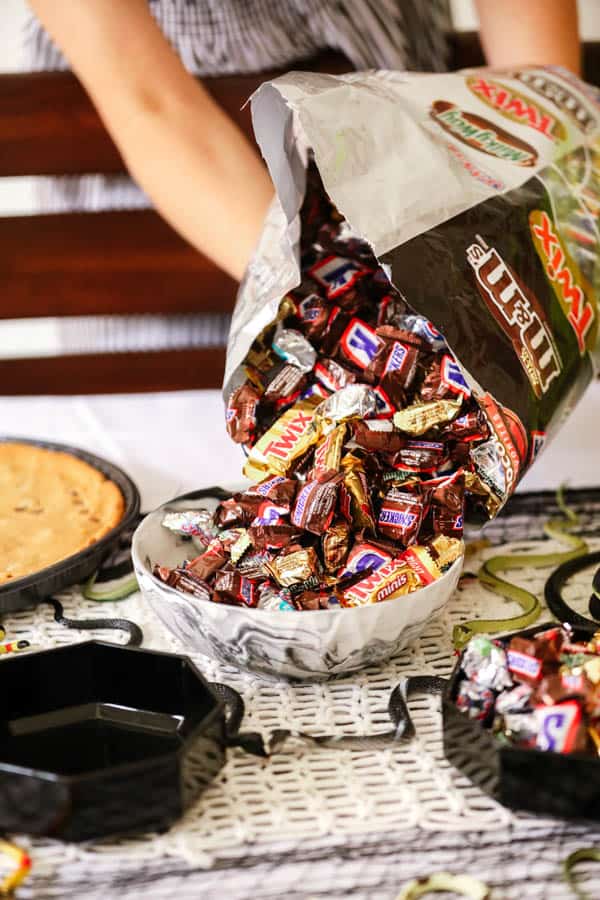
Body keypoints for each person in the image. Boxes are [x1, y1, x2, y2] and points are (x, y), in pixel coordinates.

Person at [26, 0, 581, 350]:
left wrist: (541, 190)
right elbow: (153, 106)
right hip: (161, 206)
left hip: (400, 120)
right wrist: (342, 303)